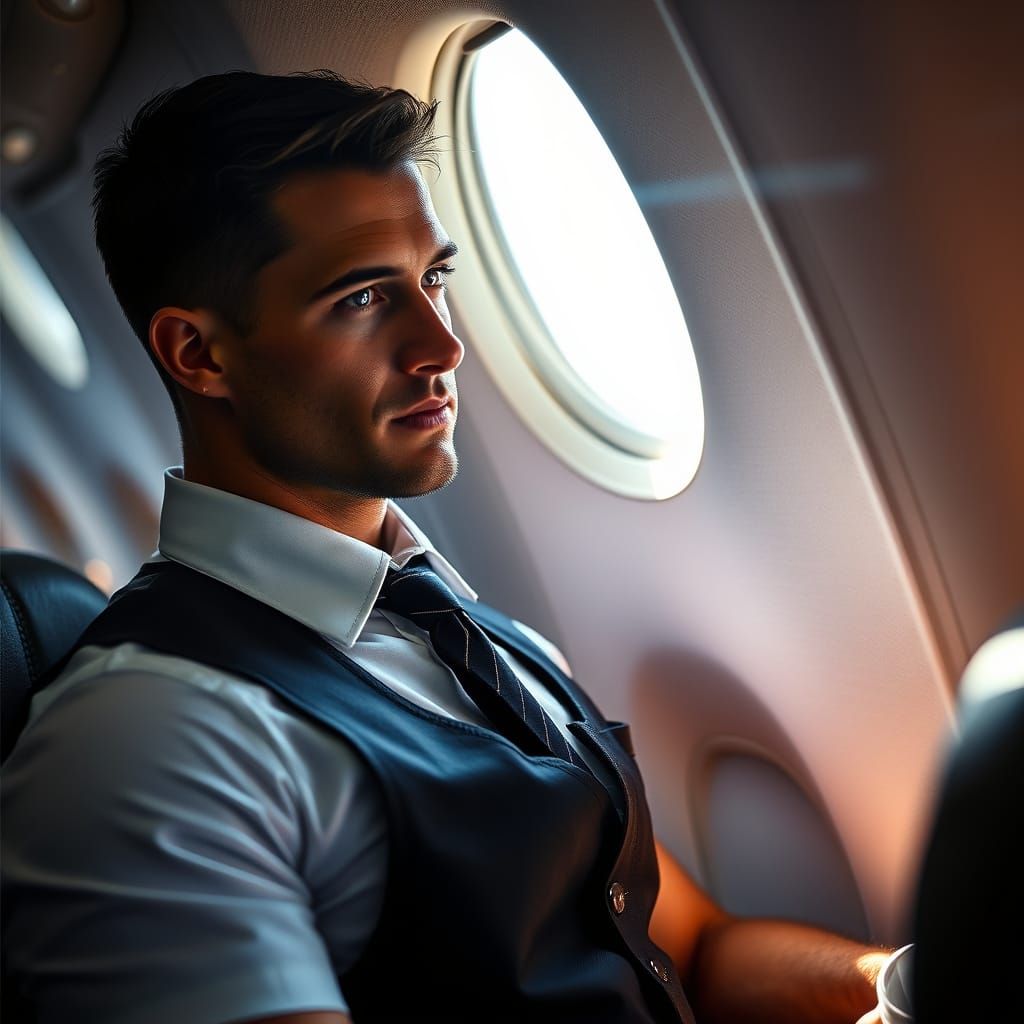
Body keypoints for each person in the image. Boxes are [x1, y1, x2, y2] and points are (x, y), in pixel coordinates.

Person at [1, 71, 892, 1023]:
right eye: (360, 299)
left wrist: (895, 986)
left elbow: (692, 952)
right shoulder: (151, 747)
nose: (442, 344)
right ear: (200, 355)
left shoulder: (475, 634)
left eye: (434, 280)